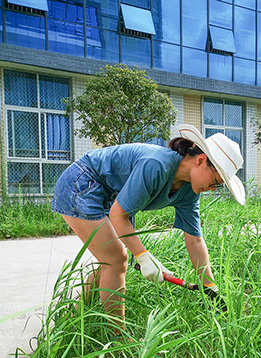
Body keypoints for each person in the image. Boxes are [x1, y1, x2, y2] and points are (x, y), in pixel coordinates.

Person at [51, 124, 245, 333]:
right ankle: (119, 339)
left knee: (110, 261)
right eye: (215, 181)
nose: (213, 189)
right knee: (117, 259)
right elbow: (119, 215)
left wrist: (209, 286)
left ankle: (73, 319)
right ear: (201, 160)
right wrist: (142, 255)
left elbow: (195, 240)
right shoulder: (157, 164)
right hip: (83, 182)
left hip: (112, 194)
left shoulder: (190, 191)